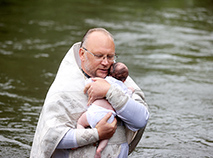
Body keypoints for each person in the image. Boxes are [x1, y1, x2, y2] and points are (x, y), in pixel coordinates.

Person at [30, 28, 149, 158]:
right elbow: (51, 137)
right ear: (82, 54)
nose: (105, 62)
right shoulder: (64, 88)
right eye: (99, 56)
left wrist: (109, 91)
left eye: (110, 57)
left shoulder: (119, 78)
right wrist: (97, 134)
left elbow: (140, 120)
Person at [77, 62, 132, 158]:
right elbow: (126, 99)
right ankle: (99, 150)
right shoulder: (123, 88)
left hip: (94, 113)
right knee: (107, 135)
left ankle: (79, 140)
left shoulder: (103, 81)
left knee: (80, 123)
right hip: (109, 117)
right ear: (124, 80)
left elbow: (89, 83)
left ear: (109, 73)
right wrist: (131, 90)